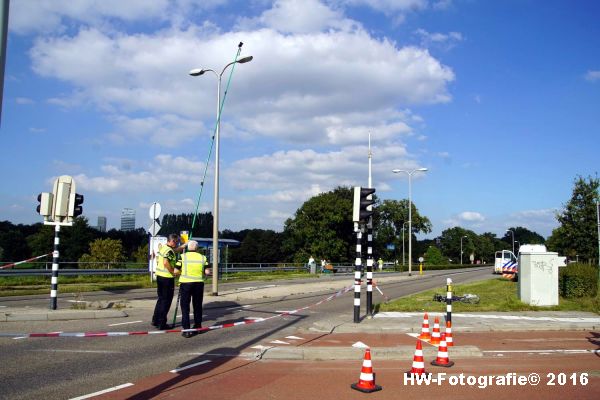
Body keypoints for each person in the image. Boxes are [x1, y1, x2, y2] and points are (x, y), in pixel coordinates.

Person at [152, 233, 185, 330]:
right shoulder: (169, 251)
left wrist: (184, 246)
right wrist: (173, 272)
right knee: (166, 301)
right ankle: (162, 323)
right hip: (167, 278)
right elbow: (166, 262)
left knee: (161, 299)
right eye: (176, 241)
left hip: (160, 277)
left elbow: (175, 250)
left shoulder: (164, 248)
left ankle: (155, 320)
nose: (177, 243)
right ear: (172, 241)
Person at [178, 240, 210, 338]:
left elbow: (175, 270)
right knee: (197, 306)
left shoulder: (182, 257)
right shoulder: (203, 258)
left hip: (185, 284)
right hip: (198, 284)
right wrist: (204, 276)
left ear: (188, 248)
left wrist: (182, 274)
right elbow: (207, 271)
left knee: (185, 307)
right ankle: (198, 327)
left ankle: (187, 330)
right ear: (197, 248)